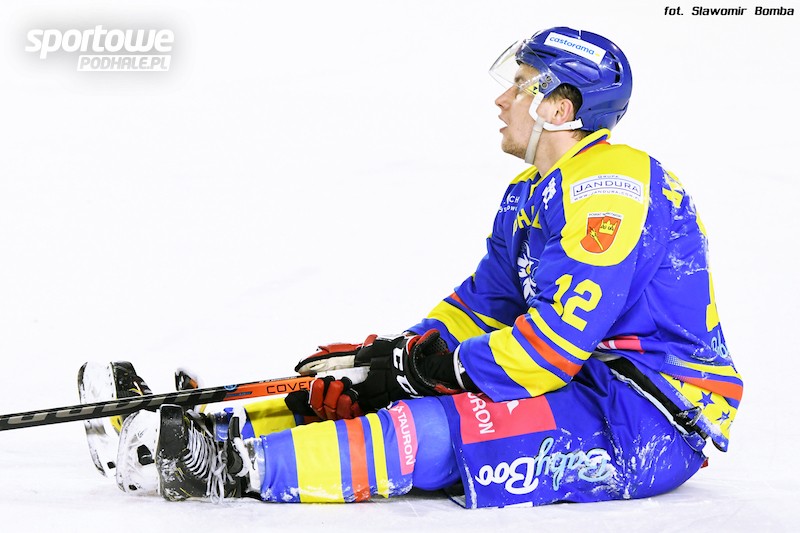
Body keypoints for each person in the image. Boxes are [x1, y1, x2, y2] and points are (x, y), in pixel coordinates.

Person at [93, 26, 743, 509]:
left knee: (443, 424)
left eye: (521, 85)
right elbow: (483, 305)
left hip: (648, 415)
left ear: (559, 108)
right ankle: (180, 433)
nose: (503, 100)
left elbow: (552, 347)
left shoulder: (612, 186)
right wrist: (393, 358)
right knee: (369, 392)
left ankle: (225, 467)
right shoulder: (530, 194)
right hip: (589, 383)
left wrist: (431, 373)